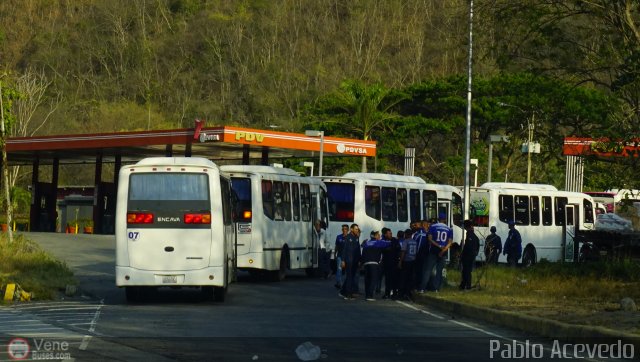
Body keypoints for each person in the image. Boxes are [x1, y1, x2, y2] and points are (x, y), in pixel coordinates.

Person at [423, 213, 453, 292]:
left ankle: (422, 288)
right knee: (439, 271)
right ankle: (436, 288)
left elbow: (429, 239)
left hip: (434, 250)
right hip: (443, 252)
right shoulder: (449, 229)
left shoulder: (433, 226)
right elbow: (450, 242)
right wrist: (443, 250)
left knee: (428, 270)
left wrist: (438, 246)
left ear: (438, 219)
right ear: (445, 220)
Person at [361, 230, 387, 301]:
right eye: (378, 235)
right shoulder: (378, 243)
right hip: (374, 263)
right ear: (375, 236)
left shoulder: (366, 243)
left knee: (367, 280)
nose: (379, 236)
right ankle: (370, 296)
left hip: (366, 263)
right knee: (373, 279)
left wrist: (362, 263)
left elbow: (363, 251)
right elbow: (388, 244)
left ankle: (367, 295)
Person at [340, 224, 361, 300]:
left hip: (355, 261)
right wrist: (342, 260)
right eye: (355, 229)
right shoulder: (348, 237)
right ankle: (348, 294)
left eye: (357, 229)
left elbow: (358, 250)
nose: (357, 230)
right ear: (351, 229)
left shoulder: (356, 238)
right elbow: (344, 249)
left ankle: (343, 291)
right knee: (349, 277)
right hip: (349, 261)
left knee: (352, 277)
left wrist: (359, 260)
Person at [381, 228, 401, 299]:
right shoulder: (383, 241)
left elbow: (399, 250)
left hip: (394, 263)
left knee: (394, 279)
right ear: (385, 234)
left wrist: (399, 260)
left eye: (391, 233)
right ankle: (387, 293)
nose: (390, 234)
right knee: (387, 279)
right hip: (386, 263)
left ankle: (395, 294)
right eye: (389, 233)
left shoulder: (395, 240)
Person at [460, 219, 480, 290]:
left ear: (466, 226)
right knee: (467, 271)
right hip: (471, 256)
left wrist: (462, 255)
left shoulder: (469, 234)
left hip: (467, 256)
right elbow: (478, 244)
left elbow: (467, 247)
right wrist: (475, 253)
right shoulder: (474, 235)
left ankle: (467, 285)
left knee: (466, 271)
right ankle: (464, 285)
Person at [398, 229, 417, 300]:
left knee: (403, 278)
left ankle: (401, 294)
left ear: (406, 234)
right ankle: (408, 293)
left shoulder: (406, 241)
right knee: (410, 278)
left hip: (406, 261)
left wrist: (400, 261)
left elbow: (403, 252)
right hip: (413, 261)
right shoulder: (415, 242)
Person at [413, 219, 430, 292]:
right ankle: (419, 286)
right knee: (420, 271)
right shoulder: (420, 233)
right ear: (424, 225)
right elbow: (417, 245)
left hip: (424, 255)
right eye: (427, 225)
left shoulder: (420, 233)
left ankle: (421, 286)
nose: (428, 226)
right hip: (421, 255)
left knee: (423, 271)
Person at [334, 224, 349, 289]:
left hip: (347, 257)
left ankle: (347, 284)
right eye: (343, 229)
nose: (344, 230)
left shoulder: (350, 237)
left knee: (347, 271)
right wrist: (335, 254)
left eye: (345, 229)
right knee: (339, 270)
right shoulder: (339, 237)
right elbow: (336, 246)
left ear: (348, 230)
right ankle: (339, 283)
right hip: (340, 256)